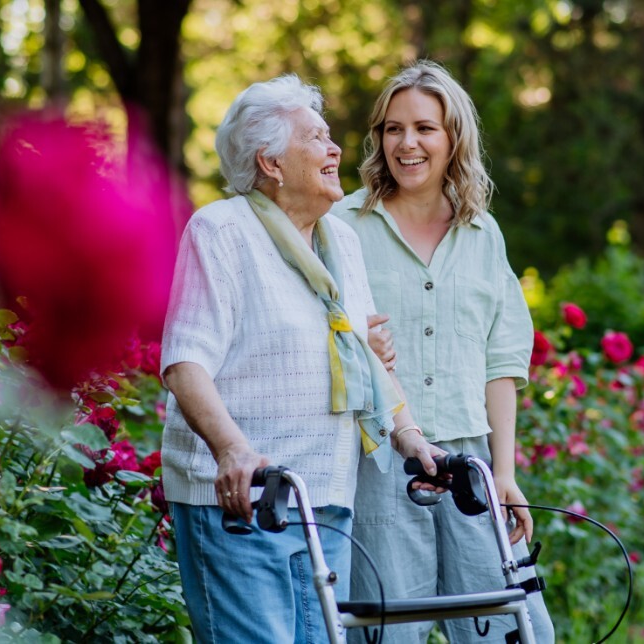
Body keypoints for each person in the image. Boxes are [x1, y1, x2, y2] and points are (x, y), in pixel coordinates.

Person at [159, 74, 442, 643]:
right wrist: (233, 448)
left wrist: (409, 436)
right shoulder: (222, 231)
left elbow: (364, 356)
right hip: (244, 502)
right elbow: (184, 361)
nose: (336, 148)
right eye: (315, 138)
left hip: (325, 499)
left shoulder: (342, 242)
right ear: (271, 163)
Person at [334, 61, 556, 643]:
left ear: (454, 136)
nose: (407, 143)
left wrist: (503, 474)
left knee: (517, 631)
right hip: (378, 463)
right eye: (392, 128)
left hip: (469, 464)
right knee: (385, 635)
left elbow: (502, 363)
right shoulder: (340, 227)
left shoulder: (483, 234)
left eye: (425, 128)